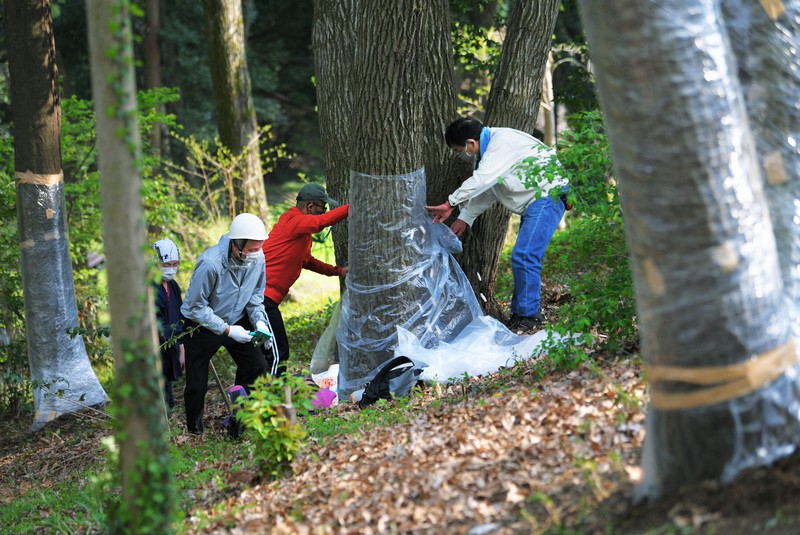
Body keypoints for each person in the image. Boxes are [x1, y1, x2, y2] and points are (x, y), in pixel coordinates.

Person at [426, 117, 569, 332]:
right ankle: (521, 314)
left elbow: (482, 180)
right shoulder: (493, 151)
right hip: (537, 199)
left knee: (525, 254)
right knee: (524, 254)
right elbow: (490, 190)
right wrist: (465, 217)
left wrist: (450, 203)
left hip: (549, 196)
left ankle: (530, 317)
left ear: (471, 143)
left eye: (459, 150)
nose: (461, 155)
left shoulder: (501, 143)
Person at [180, 213, 273, 435]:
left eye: (258, 248)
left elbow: (255, 296)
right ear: (235, 245)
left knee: (256, 365)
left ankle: (238, 422)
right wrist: (227, 330)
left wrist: (259, 321)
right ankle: (195, 431)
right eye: (250, 249)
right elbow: (195, 306)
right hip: (200, 324)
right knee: (197, 383)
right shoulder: (210, 263)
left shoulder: (258, 259)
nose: (255, 254)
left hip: (237, 318)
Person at [262, 183, 349, 374]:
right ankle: (274, 397)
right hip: (261, 298)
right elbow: (319, 223)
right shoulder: (293, 219)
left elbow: (307, 261)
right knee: (278, 352)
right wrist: (352, 207)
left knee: (265, 353)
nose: (324, 211)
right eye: (322, 207)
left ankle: (255, 394)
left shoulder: (301, 233)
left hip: (267, 299)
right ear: (310, 207)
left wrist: (339, 271)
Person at [152, 238, 185, 413]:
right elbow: (154, 324)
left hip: (171, 346)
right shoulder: (149, 287)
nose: (171, 268)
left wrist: (181, 347)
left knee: (168, 394)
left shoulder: (173, 286)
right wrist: (177, 333)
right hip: (154, 350)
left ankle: (168, 421)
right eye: (166, 264)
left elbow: (179, 316)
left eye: (175, 264)